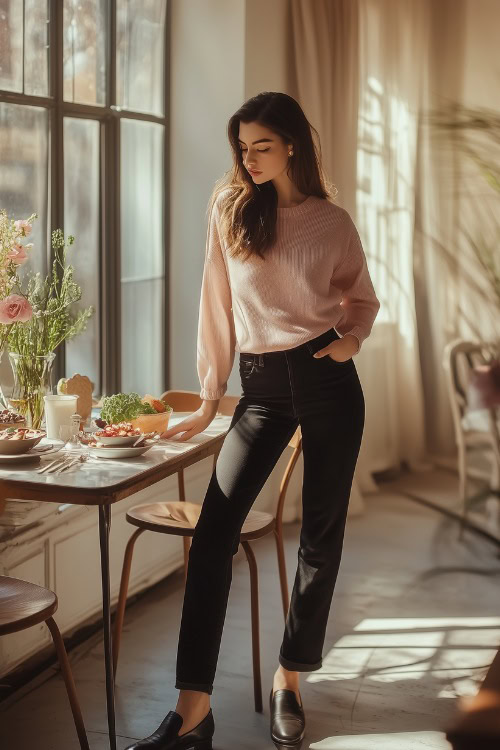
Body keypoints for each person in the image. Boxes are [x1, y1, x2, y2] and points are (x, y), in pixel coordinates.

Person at [125, 91, 380, 750]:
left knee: (319, 541)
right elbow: (214, 300)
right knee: (214, 538)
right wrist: (209, 398)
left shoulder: (332, 222)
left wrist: (349, 340)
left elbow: (361, 297)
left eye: (261, 146)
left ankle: (290, 680)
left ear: (292, 142)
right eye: (242, 148)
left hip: (327, 382)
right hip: (260, 389)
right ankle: (191, 709)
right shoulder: (230, 207)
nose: (249, 159)